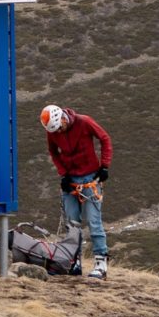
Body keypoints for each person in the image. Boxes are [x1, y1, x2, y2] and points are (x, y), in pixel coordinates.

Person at [39, 104, 112, 280]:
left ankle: (101, 263)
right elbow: (53, 151)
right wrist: (63, 174)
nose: (59, 132)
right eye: (55, 131)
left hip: (90, 179)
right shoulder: (53, 130)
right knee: (72, 224)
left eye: (60, 128)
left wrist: (104, 166)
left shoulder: (84, 122)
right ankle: (75, 262)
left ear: (63, 118)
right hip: (70, 180)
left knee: (94, 221)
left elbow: (105, 139)